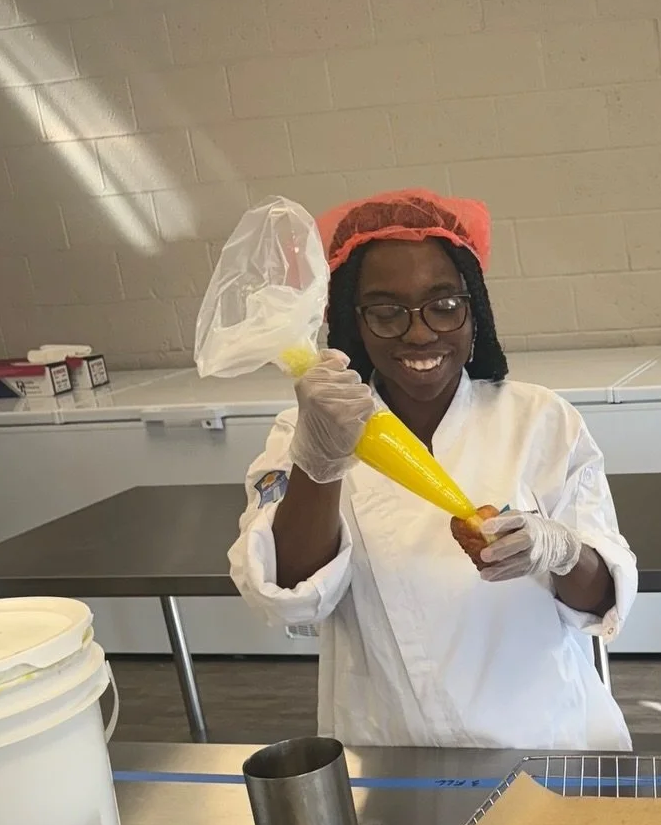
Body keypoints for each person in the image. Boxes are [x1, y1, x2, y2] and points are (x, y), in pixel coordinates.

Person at [230, 188, 636, 748]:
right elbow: (292, 594)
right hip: (395, 746)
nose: (420, 333)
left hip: (547, 737)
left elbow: (600, 601)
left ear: (476, 311)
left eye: (444, 304)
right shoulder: (301, 431)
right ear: (353, 319)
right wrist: (320, 461)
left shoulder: (540, 421)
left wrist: (558, 549)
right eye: (387, 311)